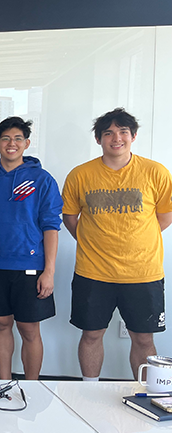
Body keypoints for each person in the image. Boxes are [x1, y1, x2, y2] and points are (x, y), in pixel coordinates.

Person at [62, 108, 172, 381]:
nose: (116, 138)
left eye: (123, 132)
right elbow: (69, 217)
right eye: (108, 133)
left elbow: (165, 215)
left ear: (133, 136)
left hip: (143, 272)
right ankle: (88, 389)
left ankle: (147, 396)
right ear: (99, 139)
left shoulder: (155, 172)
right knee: (91, 334)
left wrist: (135, 239)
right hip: (93, 272)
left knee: (144, 338)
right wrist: (93, 240)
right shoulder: (80, 174)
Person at [0, 117, 62, 380]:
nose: (12, 143)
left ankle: (32, 385)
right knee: (1, 324)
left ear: (27, 144)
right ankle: (4, 383)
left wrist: (49, 271)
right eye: (6, 138)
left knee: (29, 329)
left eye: (18, 138)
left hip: (30, 267)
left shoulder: (42, 180)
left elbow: (51, 226)